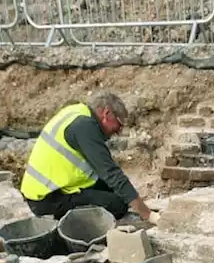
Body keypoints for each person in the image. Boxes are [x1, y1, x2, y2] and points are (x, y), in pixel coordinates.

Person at [20, 90, 153, 222]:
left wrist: (132, 199)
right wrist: (148, 214)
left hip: (57, 187)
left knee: (119, 194)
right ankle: (65, 222)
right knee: (117, 206)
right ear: (106, 114)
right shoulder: (85, 127)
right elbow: (110, 172)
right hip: (47, 199)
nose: (118, 132)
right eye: (119, 124)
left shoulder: (78, 112)